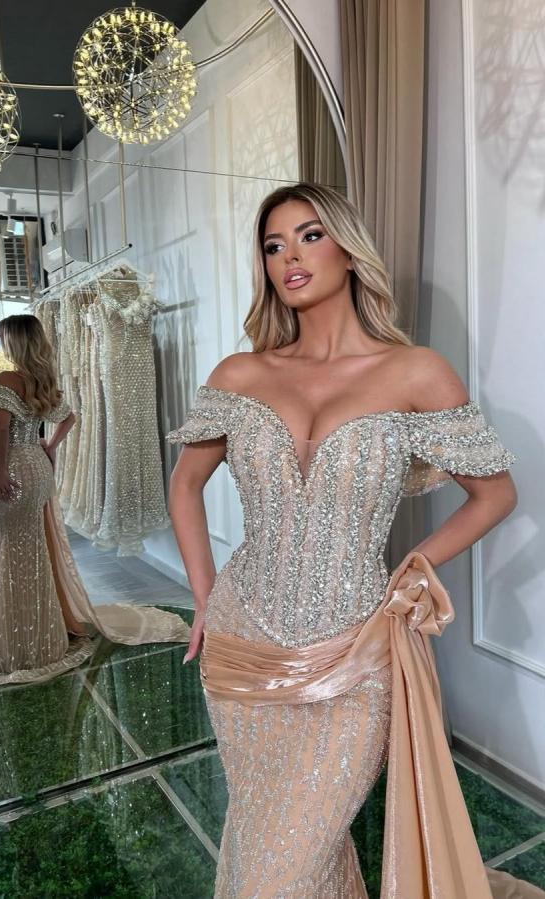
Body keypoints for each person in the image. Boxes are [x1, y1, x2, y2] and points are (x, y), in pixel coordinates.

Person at [166, 184, 539, 897]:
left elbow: (495, 495)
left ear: (347, 249)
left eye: (310, 236)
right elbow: (184, 485)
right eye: (273, 245)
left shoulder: (414, 371)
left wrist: (414, 567)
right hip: (242, 649)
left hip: (356, 651)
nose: (290, 257)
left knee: (283, 865)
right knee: (267, 835)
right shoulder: (240, 375)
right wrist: (206, 598)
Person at [0, 314, 189, 687]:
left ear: (14, 341)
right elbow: (69, 418)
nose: (1, 344)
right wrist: (49, 447)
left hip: (15, 467)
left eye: (3, 338)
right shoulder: (40, 379)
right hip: (37, 465)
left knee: (4, 545)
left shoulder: (8, 379)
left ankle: (22, 637)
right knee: (28, 547)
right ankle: (34, 628)